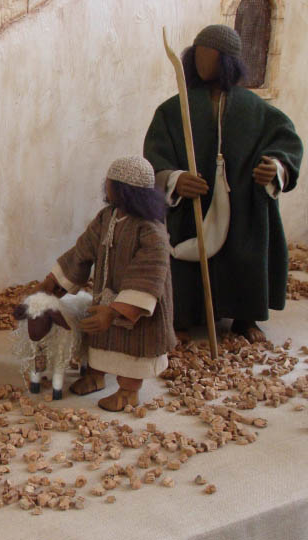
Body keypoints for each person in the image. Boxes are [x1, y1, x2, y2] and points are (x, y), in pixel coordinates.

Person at [144, 24, 303, 343]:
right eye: (197, 55)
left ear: (227, 60)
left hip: (245, 205)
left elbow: (286, 143)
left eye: (210, 55)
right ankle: (182, 317)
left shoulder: (258, 111)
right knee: (185, 259)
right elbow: (155, 156)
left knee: (245, 256)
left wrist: (275, 167)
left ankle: (246, 319)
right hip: (192, 209)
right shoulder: (174, 110)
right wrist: (176, 180)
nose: (202, 62)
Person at [38, 156, 176, 411]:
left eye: (110, 183)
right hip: (105, 295)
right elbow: (83, 250)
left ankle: (128, 391)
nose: (106, 187)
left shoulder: (150, 230)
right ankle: (96, 375)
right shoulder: (107, 217)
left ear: (124, 189)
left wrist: (115, 311)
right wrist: (55, 280)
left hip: (135, 309)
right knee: (100, 340)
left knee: (134, 347)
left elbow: (149, 274)